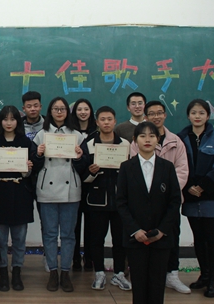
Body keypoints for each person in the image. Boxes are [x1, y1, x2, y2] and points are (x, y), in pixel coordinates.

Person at [117, 122, 181, 304]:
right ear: (134, 140)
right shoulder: (126, 167)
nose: (147, 140)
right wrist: (134, 230)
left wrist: (162, 230)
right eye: (142, 136)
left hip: (161, 237)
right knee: (138, 283)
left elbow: (174, 201)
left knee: (157, 284)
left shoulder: (167, 167)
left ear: (158, 140)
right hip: (135, 238)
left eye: (152, 136)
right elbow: (121, 202)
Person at [130, 100, 190, 294]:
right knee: (144, 243)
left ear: (165, 115)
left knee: (170, 238)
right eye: (152, 113)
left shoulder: (176, 141)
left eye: (159, 113)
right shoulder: (137, 141)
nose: (156, 116)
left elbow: (182, 170)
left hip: (168, 202)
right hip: (143, 204)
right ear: (146, 116)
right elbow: (134, 172)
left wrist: (166, 191)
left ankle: (172, 275)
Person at [76, 106, 132, 291]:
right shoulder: (89, 143)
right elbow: (81, 174)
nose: (106, 123)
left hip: (120, 200)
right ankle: (99, 272)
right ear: (97, 122)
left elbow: (132, 173)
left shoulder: (125, 144)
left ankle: (119, 273)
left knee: (120, 239)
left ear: (115, 121)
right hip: (96, 199)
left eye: (109, 119)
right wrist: (91, 172)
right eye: (102, 119)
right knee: (96, 239)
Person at [33, 97, 85, 293]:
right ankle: (53, 271)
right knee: (49, 234)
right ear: (50, 111)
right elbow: (33, 166)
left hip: (71, 191)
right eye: (56, 108)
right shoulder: (41, 135)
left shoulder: (78, 136)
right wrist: (38, 155)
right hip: (47, 190)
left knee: (68, 235)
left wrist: (79, 157)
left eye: (63, 108)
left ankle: (65, 272)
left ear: (67, 112)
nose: (59, 112)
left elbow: (85, 166)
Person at [177, 99, 214, 298]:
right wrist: (189, 186)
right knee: (198, 239)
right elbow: (179, 165)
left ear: (208, 116)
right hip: (189, 196)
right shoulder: (181, 138)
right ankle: (204, 276)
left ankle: (213, 281)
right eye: (193, 113)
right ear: (188, 115)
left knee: (212, 239)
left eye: (201, 113)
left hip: (210, 197)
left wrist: (202, 187)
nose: (197, 116)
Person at [0, 105, 42, 292]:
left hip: (21, 195)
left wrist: (28, 168)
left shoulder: (26, 142)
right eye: (5, 119)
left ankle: (17, 271)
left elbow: (31, 172)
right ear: (0, 121)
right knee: (0, 239)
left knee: (19, 238)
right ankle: (3, 272)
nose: (9, 123)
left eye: (12, 119)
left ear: (18, 122)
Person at [69, 98, 97, 271]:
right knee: (74, 224)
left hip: (93, 183)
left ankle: (89, 258)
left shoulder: (98, 132)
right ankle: (74, 258)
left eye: (86, 109)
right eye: (79, 109)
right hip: (72, 181)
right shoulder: (69, 133)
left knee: (91, 225)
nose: (83, 112)